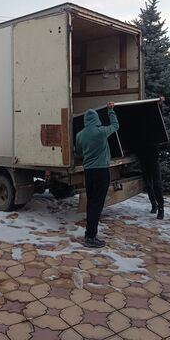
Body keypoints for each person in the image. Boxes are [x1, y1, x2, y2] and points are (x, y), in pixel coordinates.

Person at [76, 102, 119, 248]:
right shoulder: (101, 132)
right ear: (96, 119)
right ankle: (90, 237)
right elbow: (115, 126)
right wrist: (110, 111)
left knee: (91, 202)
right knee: (97, 204)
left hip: (88, 172)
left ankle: (89, 232)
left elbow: (79, 152)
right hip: (101, 171)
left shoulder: (80, 135)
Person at [136, 96, 165, 220]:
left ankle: (161, 208)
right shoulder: (138, 127)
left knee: (157, 184)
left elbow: (159, 118)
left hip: (153, 157)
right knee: (148, 183)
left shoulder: (153, 125)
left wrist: (160, 105)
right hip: (144, 158)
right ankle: (153, 204)